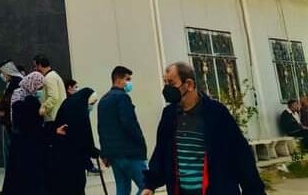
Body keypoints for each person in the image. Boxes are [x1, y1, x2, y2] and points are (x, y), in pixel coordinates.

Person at [142, 62, 264, 195]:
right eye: (165, 83)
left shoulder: (216, 113)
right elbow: (161, 152)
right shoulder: (169, 115)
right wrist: (150, 185)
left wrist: (253, 190)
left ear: (189, 84)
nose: (167, 88)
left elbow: (240, 154)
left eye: (171, 83)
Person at [98, 66, 147, 195]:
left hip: (114, 155)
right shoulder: (122, 97)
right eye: (127, 79)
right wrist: (141, 143)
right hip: (130, 152)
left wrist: (104, 153)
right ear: (118, 79)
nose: (130, 83)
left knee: (122, 189)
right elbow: (130, 124)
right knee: (146, 186)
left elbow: (101, 129)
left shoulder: (103, 100)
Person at [1, 71, 46, 195]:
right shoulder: (20, 96)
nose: (40, 90)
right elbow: (22, 120)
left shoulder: (32, 98)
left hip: (24, 141)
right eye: (38, 87)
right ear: (32, 84)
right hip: (23, 141)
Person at [52, 88, 100, 195]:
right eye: (91, 103)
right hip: (73, 158)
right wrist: (94, 152)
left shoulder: (69, 104)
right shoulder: (79, 111)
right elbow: (84, 136)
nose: (91, 106)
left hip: (61, 156)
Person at [0, 60, 23, 166]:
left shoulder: (16, 83)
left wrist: (1, 108)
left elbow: (8, 101)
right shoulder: (12, 82)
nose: (2, 76)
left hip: (11, 121)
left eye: (3, 73)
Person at [32, 54, 66, 129]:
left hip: (53, 117)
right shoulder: (53, 75)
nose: (35, 69)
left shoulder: (49, 77)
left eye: (35, 66)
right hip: (56, 116)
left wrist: (43, 109)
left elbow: (53, 97)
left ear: (40, 65)